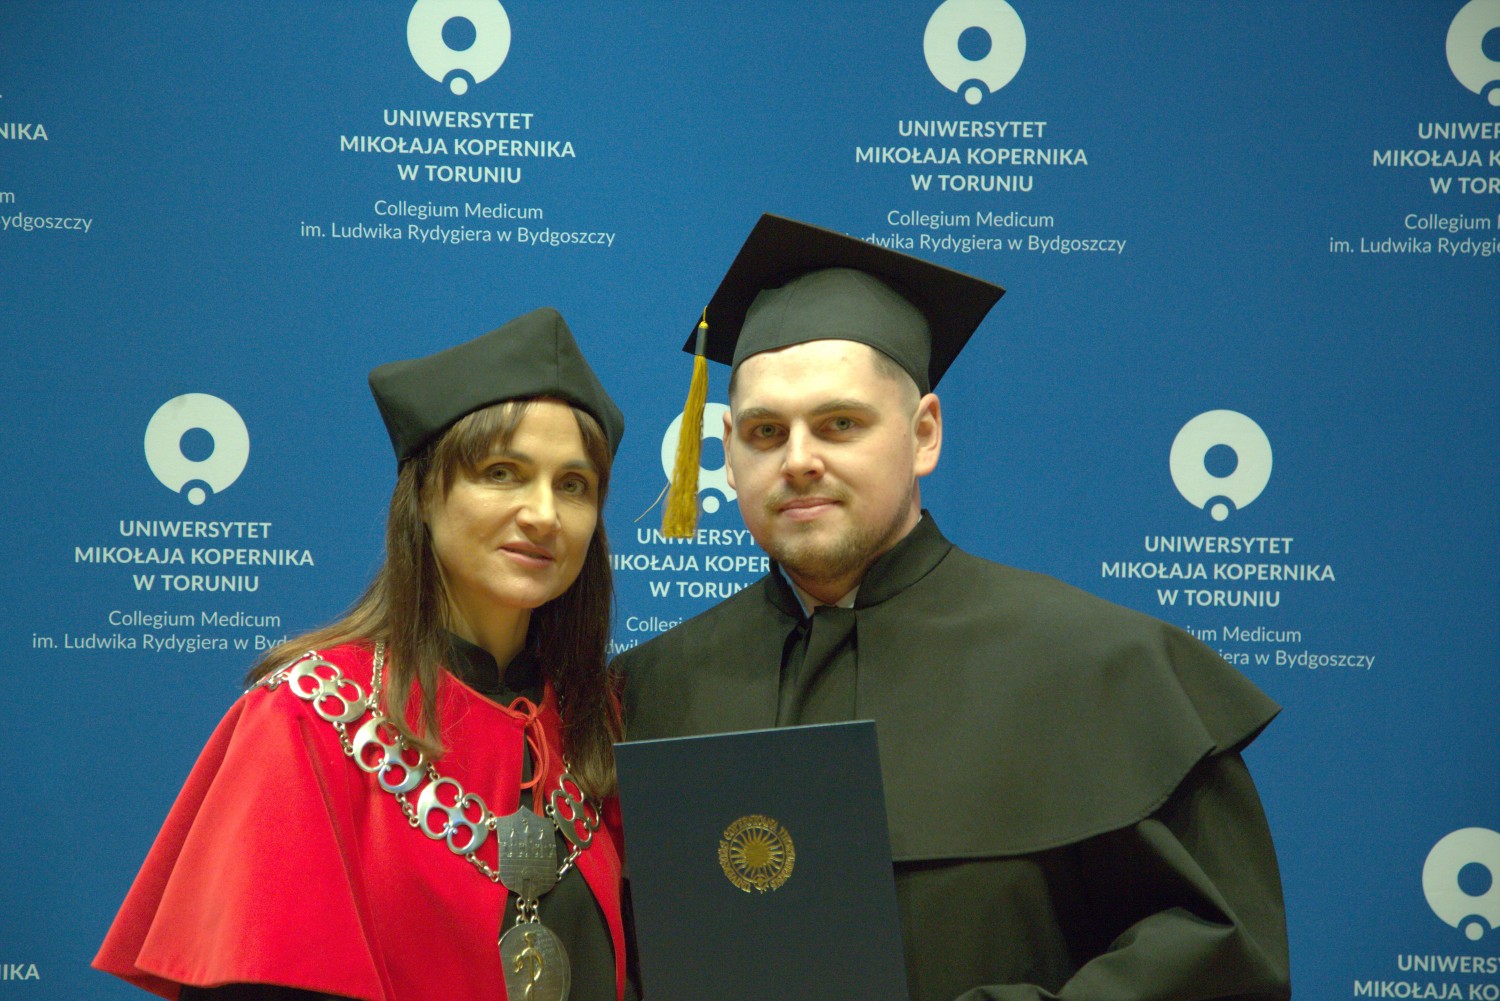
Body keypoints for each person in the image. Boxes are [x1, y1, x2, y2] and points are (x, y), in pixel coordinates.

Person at [616, 214, 1292, 1001]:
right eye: (766, 431)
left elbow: (1220, 957)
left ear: (925, 433)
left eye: (840, 424)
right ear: (728, 451)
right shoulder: (647, 693)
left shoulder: (1098, 666)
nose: (799, 460)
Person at [97, 307, 638, 1001]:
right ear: (424, 495)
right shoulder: (308, 719)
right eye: (503, 472)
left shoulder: (602, 727)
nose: (543, 513)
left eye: (573, 485)